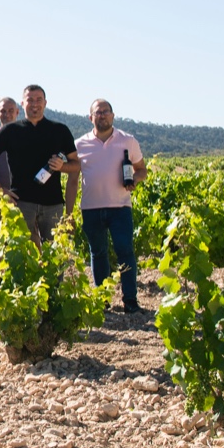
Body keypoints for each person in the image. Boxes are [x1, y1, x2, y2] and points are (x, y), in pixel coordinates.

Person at [67, 100, 148, 314]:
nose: (102, 115)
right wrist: (69, 212)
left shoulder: (128, 141)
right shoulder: (79, 144)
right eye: (97, 112)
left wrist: (134, 181)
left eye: (106, 112)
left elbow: (141, 170)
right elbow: (73, 180)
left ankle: (130, 300)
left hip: (120, 207)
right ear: (90, 117)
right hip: (91, 208)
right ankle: (102, 299)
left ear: (112, 115)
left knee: (125, 251)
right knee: (98, 253)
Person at [0, 85, 79, 243]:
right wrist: (0, 190)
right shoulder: (10, 130)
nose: (35, 104)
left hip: (53, 204)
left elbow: (76, 164)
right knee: (23, 255)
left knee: (56, 257)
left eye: (39, 100)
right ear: (22, 103)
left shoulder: (60, 130)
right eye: (30, 100)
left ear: (45, 103)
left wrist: (62, 167)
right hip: (21, 203)